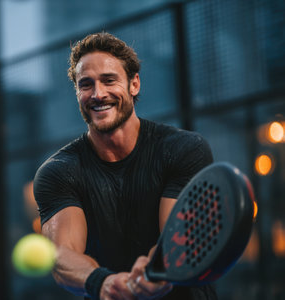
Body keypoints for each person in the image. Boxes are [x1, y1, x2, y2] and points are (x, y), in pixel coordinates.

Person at [33, 32, 217, 300]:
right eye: (86, 85)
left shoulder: (184, 149)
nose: (98, 94)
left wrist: (157, 270)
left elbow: (179, 238)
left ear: (134, 84)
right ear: (77, 93)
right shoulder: (57, 171)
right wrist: (103, 282)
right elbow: (62, 254)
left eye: (109, 80)